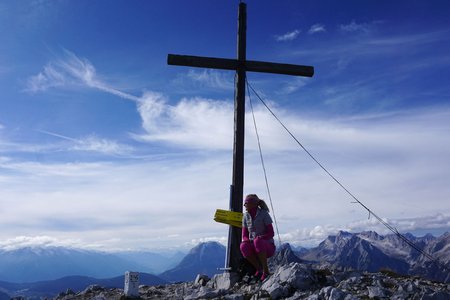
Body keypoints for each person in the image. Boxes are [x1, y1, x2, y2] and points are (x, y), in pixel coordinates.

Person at [240, 194, 276, 281]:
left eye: (246, 203)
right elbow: (244, 235)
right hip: (254, 244)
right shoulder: (245, 216)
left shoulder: (264, 214)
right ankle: (259, 269)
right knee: (243, 246)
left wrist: (260, 238)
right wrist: (246, 241)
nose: (244, 205)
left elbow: (271, 233)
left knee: (257, 241)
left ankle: (266, 271)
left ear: (253, 204)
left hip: (267, 246)